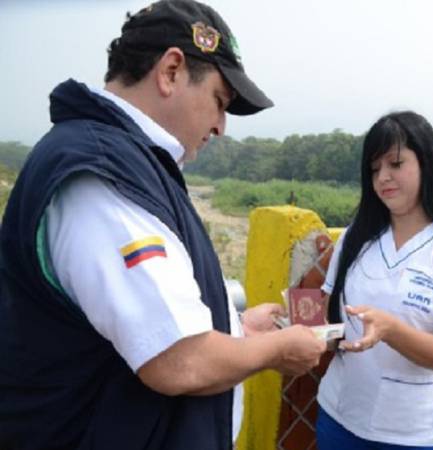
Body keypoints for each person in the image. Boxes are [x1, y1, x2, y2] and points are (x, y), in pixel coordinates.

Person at [0, 1, 326, 449]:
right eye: (219, 101)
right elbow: (179, 359)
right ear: (171, 71)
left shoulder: (127, 162)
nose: (220, 127)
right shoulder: (102, 177)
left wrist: (238, 329)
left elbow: (136, 316)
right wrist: (276, 349)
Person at [315, 111, 433, 449]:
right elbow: (329, 320)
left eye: (395, 164)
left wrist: (390, 330)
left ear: (426, 163)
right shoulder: (355, 239)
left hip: (417, 430)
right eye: (375, 169)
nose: (383, 178)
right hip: (341, 416)